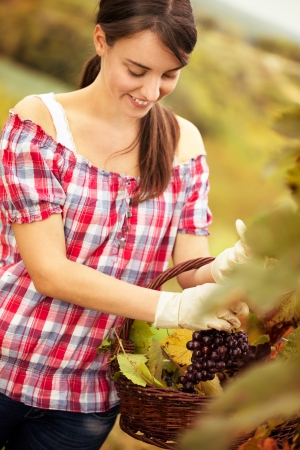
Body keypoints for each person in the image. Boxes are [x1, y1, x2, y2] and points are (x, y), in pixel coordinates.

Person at [0, 0, 250, 448]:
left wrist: (227, 267)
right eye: (137, 70)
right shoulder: (40, 124)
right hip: (6, 361)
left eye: (169, 75)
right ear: (101, 41)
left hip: (88, 397)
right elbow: (49, 272)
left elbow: (190, 268)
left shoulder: (183, 143)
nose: (152, 91)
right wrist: (171, 310)